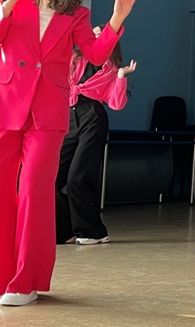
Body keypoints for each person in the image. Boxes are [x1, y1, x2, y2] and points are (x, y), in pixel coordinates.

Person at [0, 0, 137, 307]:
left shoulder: (75, 14)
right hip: (1, 103)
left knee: (35, 193)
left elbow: (95, 54)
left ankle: (26, 281)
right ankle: (0, 281)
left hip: (46, 111)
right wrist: (5, 6)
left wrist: (116, 20)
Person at [56, 32, 136, 246]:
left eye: (102, 36)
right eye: (95, 35)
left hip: (92, 117)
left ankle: (93, 231)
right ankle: (62, 231)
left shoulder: (110, 68)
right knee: (52, 177)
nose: (97, 38)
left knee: (78, 177)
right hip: (68, 116)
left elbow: (116, 104)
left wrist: (121, 76)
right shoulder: (74, 58)